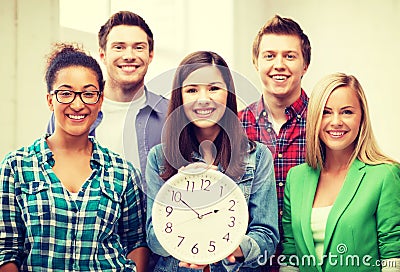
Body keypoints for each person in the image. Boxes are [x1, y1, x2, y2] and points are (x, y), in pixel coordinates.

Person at [0, 43, 147, 271]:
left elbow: (136, 243)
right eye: (66, 93)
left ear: (100, 101)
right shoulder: (16, 166)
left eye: (89, 94)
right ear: (50, 100)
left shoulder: (123, 172)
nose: (77, 104)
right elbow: (5, 250)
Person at [145, 51, 279, 272]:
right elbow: (154, 240)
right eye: (192, 90)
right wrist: (182, 191)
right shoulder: (159, 157)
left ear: (228, 94)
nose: (204, 98)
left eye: (214, 88)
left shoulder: (258, 157)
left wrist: (226, 247)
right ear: (180, 98)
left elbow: (266, 238)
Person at [280, 73, 400, 271]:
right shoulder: (296, 177)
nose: (336, 121)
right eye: (326, 112)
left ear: (361, 117)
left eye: (346, 112)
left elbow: (393, 256)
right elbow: (291, 254)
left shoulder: (385, 175)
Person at [47, 10, 169, 196]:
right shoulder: (71, 113)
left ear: (150, 55)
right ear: (102, 55)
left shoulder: (170, 114)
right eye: (119, 47)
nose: (129, 55)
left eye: (138, 47)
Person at [238, 14, 311, 271]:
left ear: (305, 65)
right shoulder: (236, 127)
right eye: (269, 56)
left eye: (289, 56)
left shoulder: (323, 124)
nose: (279, 64)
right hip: (250, 263)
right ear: (256, 63)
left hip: (308, 258)